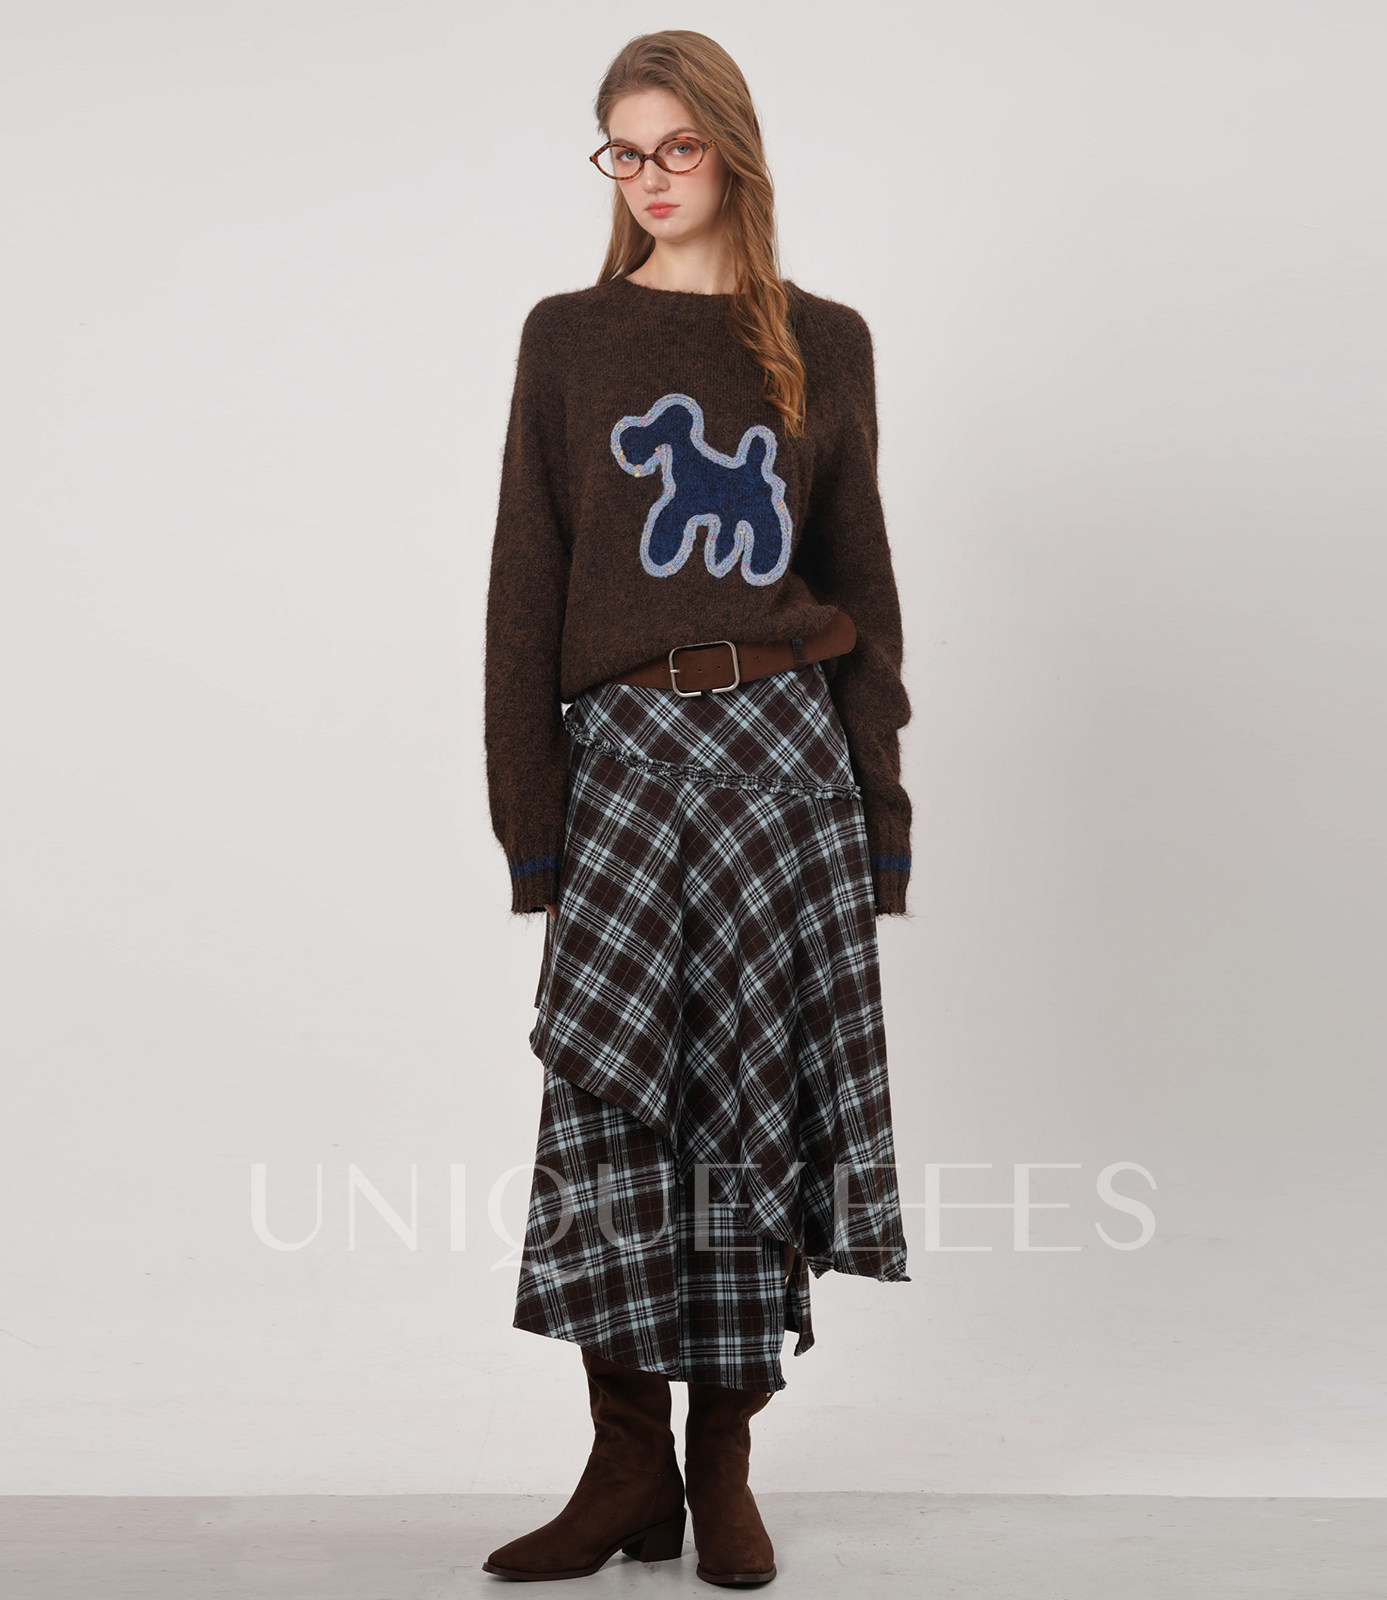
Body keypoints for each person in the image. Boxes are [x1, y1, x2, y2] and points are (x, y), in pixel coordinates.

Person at [479, 29, 912, 1587]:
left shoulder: (825, 340)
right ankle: (624, 1469)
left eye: (676, 146)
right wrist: (531, 818)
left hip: (785, 762)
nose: (650, 175)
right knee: (610, 1113)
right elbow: (526, 586)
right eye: (625, 149)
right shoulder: (571, 338)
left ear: (731, 147)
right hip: (626, 759)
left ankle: (722, 1467)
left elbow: (863, 585)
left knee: (751, 1109)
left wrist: (882, 812)